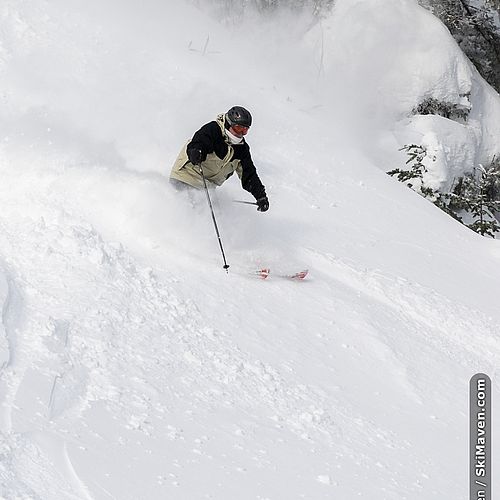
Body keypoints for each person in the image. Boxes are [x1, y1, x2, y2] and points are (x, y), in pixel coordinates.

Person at [170, 106, 269, 212]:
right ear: (228, 123)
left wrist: (260, 196)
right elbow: (198, 142)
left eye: (245, 130)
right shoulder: (213, 130)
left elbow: (249, 175)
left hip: (207, 188)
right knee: (196, 211)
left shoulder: (242, 149)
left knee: (217, 215)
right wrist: (196, 151)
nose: (241, 133)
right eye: (238, 128)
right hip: (186, 177)